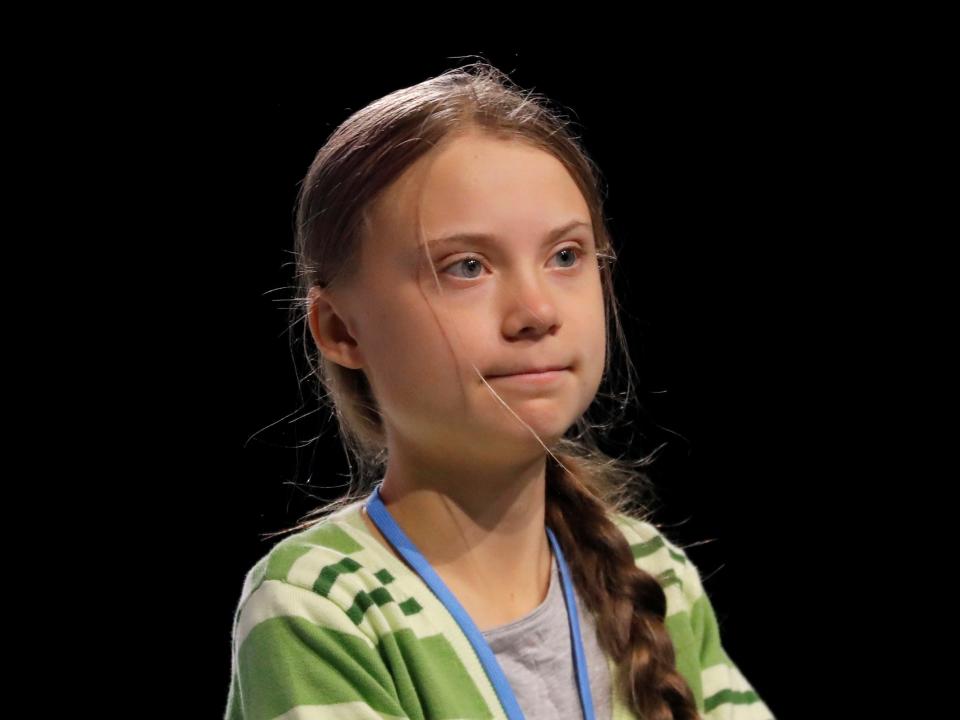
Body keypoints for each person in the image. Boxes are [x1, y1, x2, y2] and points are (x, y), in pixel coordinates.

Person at [224, 61, 776, 720]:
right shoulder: (322, 605)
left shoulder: (656, 576)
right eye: (467, 267)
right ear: (342, 329)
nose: (536, 311)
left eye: (566, 256)